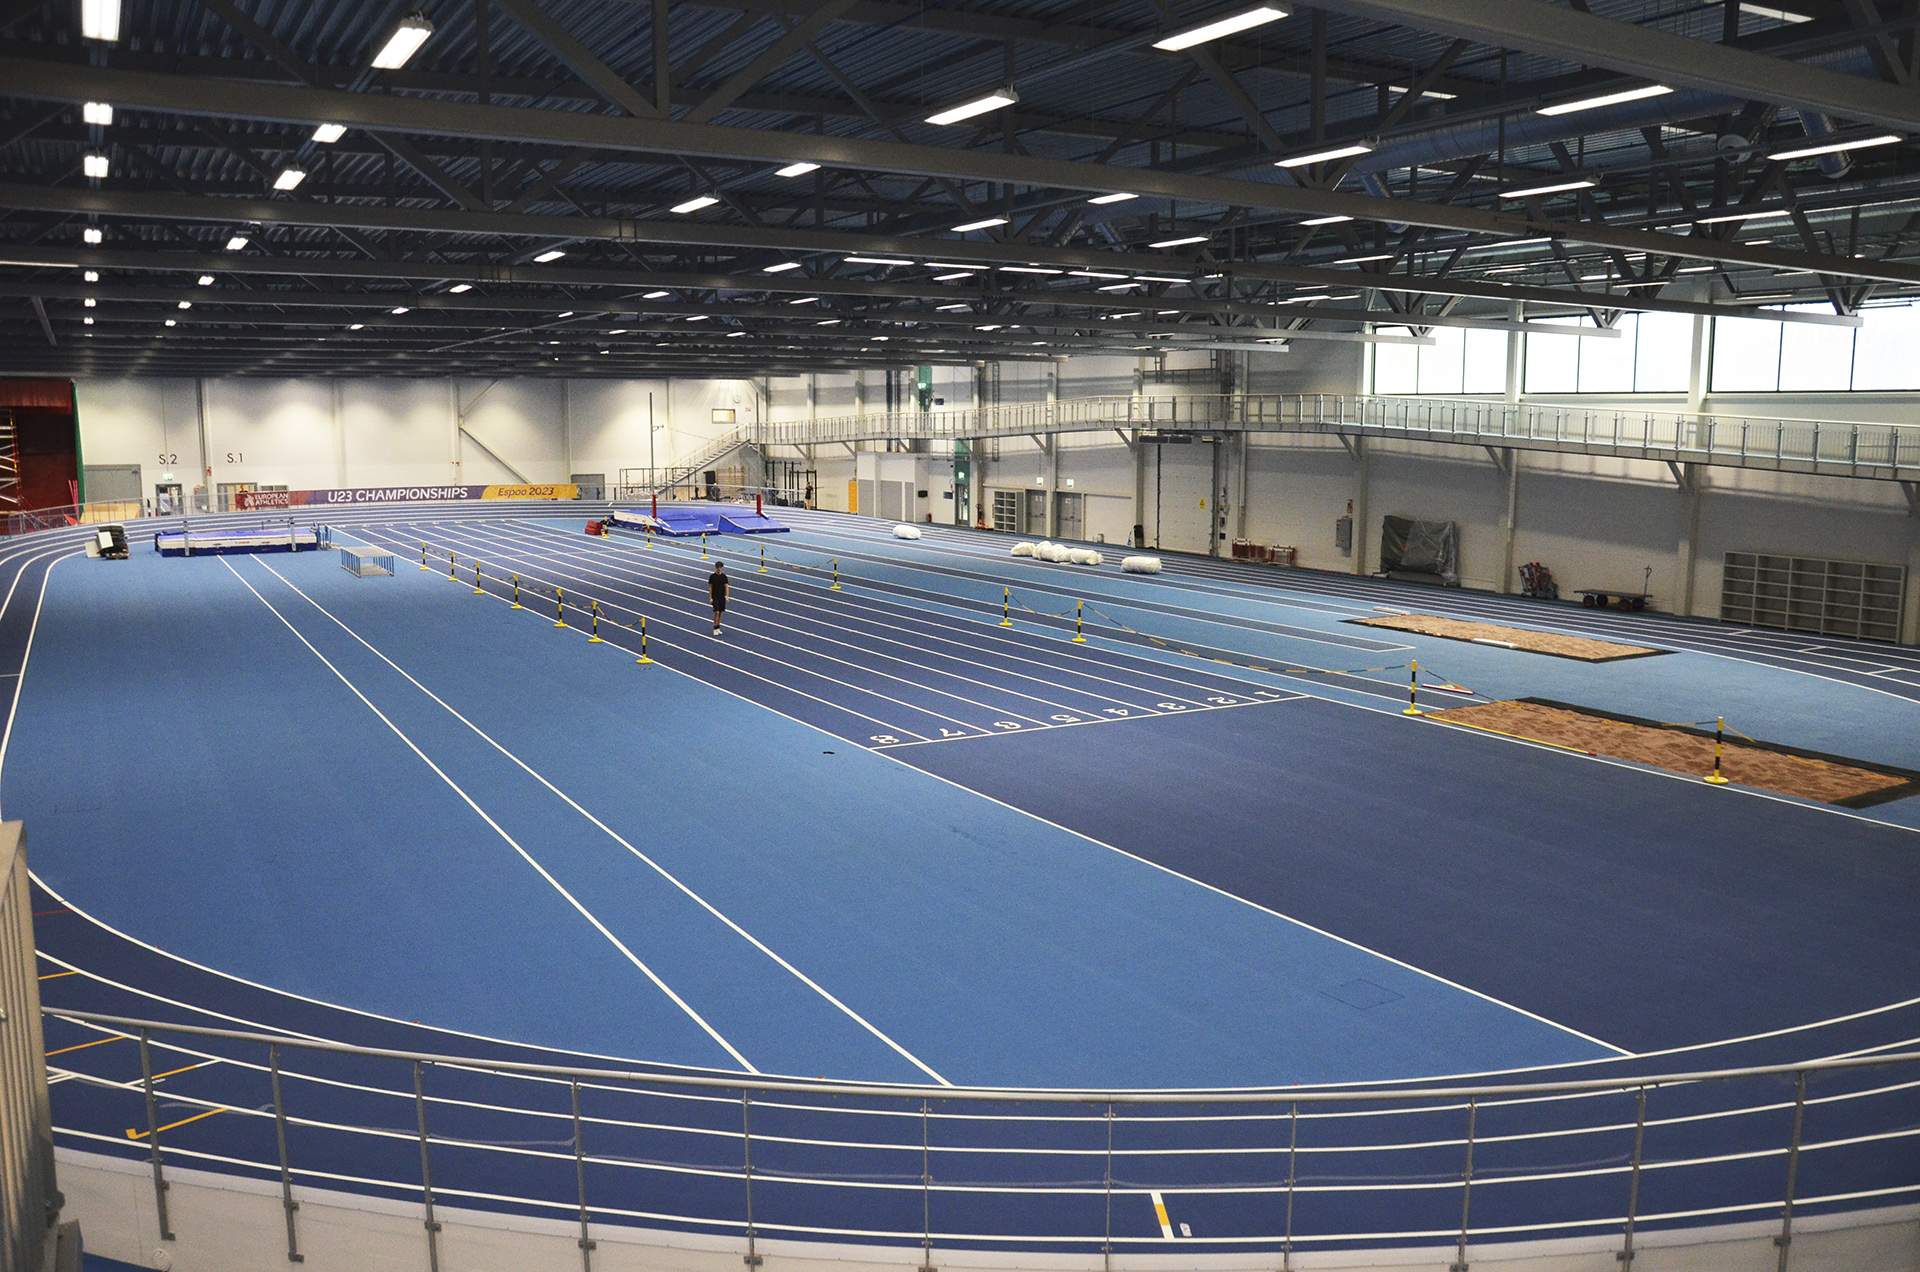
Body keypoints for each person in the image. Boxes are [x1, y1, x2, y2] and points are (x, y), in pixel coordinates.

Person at [709, 560, 729, 636]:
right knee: (716, 612)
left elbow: (726, 586)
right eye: (718, 568)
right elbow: (710, 587)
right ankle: (715, 627)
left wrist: (727, 597)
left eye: (720, 568)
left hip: (721, 596)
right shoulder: (712, 577)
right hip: (715, 596)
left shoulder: (724, 576)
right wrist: (710, 597)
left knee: (720, 613)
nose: (719, 569)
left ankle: (718, 627)